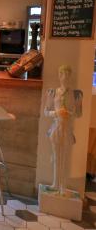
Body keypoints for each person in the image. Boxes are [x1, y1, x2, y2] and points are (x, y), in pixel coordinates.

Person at [44, 65, 83, 196]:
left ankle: (63, 186)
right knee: (56, 157)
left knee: (65, 158)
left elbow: (78, 114)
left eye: (67, 74)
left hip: (67, 128)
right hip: (56, 127)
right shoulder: (52, 92)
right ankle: (55, 183)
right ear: (59, 75)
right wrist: (56, 113)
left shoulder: (75, 93)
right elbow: (46, 111)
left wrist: (72, 110)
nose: (65, 77)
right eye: (63, 74)